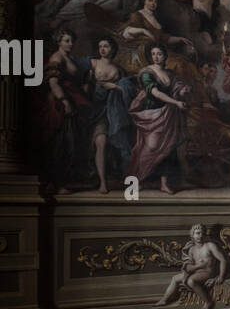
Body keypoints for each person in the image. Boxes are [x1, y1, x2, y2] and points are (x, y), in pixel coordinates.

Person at [127, 42, 190, 194]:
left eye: (159, 54)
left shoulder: (169, 74)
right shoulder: (146, 73)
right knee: (151, 147)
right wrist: (176, 102)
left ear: (165, 56)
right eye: (153, 54)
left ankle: (164, 183)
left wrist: (183, 91)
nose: (156, 57)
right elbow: (154, 93)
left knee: (168, 149)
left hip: (169, 115)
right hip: (153, 113)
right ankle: (137, 180)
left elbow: (176, 88)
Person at [40, 28, 91, 192]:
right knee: (61, 142)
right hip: (59, 102)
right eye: (66, 40)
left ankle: (62, 181)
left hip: (71, 98)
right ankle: (56, 183)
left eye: (71, 41)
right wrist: (64, 101)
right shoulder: (57, 57)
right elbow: (53, 83)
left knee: (71, 142)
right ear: (59, 42)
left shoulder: (68, 57)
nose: (70, 44)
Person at [87, 37, 137, 193]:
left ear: (112, 49)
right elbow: (85, 86)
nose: (102, 49)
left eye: (106, 46)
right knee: (100, 142)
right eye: (100, 46)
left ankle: (116, 178)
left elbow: (128, 90)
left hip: (113, 110)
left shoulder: (119, 69)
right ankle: (102, 182)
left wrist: (115, 87)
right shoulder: (92, 63)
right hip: (95, 109)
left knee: (115, 144)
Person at [155, 223, 227, 309]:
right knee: (175, 278)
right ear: (192, 235)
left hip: (208, 272)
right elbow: (189, 268)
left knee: (191, 281)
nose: (199, 236)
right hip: (197, 272)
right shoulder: (192, 250)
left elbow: (223, 260)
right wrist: (200, 266)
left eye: (202, 233)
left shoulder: (210, 246)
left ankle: (208, 302)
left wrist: (221, 276)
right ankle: (164, 300)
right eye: (197, 233)